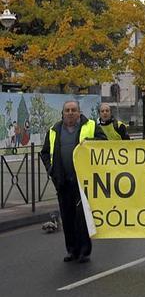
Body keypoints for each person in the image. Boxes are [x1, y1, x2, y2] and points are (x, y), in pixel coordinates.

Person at [40, 100, 107, 263]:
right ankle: (71, 250)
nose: (70, 113)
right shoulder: (54, 130)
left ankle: (84, 251)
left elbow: (104, 144)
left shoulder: (90, 126)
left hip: (83, 180)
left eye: (73, 110)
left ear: (79, 112)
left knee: (81, 218)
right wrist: (51, 170)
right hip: (62, 181)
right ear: (63, 113)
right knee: (67, 217)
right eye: (67, 110)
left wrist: (90, 144)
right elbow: (44, 152)